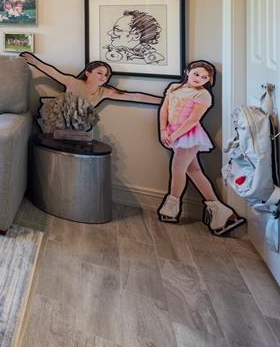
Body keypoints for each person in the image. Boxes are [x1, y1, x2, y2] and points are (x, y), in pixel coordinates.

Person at [156, 61, 245, 236]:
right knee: (194, 170)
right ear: (187, 71)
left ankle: (171, 207)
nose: (200, 79)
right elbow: (164, 110)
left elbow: (193, 120)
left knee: (178, 169)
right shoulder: (174, 87)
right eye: (197, 74)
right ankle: (221, 211)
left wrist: (174, 136)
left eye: (205, 77)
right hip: (173, 131)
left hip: (189, 136)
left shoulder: (203, 95)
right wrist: (162, 130)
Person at [20, 53, 162, 108]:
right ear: (88, 73)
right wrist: (35, 61)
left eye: (106, 75)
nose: (103, 77)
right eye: (99, 73)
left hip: (81, 125)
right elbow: (52, 72)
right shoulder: (73, 82)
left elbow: (135, 96)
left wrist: (164, 101)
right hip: (59, 118)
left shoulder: (104, 92)